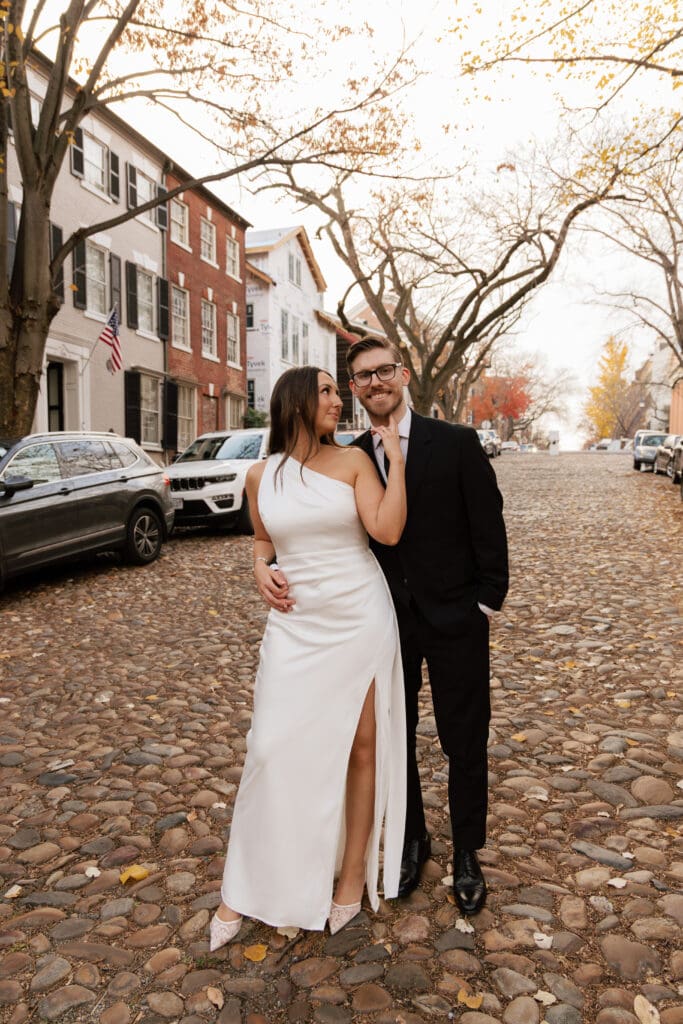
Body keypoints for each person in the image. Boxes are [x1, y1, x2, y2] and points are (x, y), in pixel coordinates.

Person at [210, 366, 407, 951]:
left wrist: (394, 461)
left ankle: (348, 879)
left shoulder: (352, 462)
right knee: (269, 747)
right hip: (294, 626)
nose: (337, 398)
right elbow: (264, 539)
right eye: (325, 390)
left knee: (361, 746)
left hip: (357, 616)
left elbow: (388, 531)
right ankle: (242, 887)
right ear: (294, 401)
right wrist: (257, 568)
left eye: (335, 389)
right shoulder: (258, 475)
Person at [347, 338, 509, 916]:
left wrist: (484, 605)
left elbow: (489, 528)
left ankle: (468, 850)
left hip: (457, 620)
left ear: (404, 374)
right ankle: (415, 839)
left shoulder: (458, 443)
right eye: (363, 376)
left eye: (383, 370)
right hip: (388, 623)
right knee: (397, 735)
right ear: (354, 388)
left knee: (464, 739)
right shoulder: (354, 456)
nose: (375, 382)